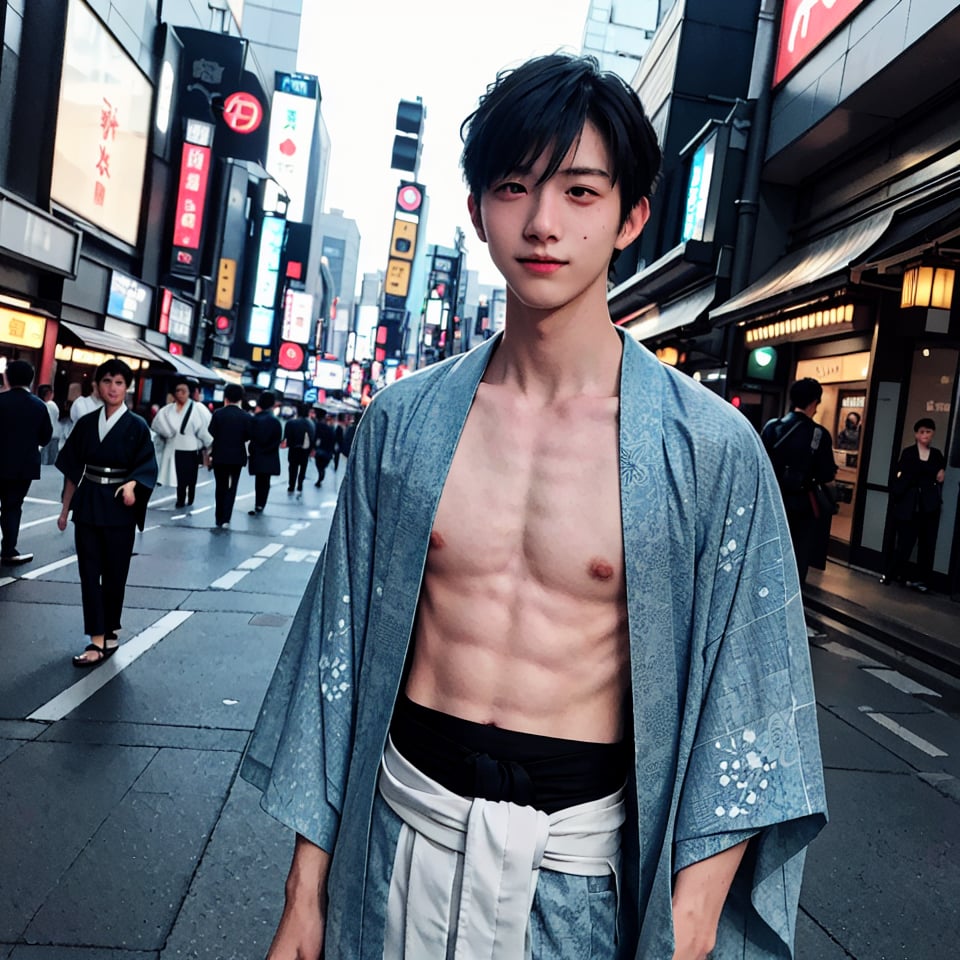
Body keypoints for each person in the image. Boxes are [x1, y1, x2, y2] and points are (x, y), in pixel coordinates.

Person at [242, 54, 826, 960]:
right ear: (477, 211)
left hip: (579, 874)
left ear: (633, 215)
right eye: (514, 188)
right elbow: (338, 667)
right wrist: (302, 894)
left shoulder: (709, 450)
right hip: (402, 836)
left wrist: (692, 926)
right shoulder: (403, 424)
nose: (544, 223)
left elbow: (744, 707)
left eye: (581, 192)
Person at [55, 359, 157, 666]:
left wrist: (133, 485)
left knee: (115, 573)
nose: (112, 388)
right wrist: (64, 510)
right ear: (97, 386)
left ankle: (111, 629)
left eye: (119, 383)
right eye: (107, 381)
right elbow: (73, 469)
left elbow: (146, 468)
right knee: (89, 572)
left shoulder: (137, 426)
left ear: (127, 388)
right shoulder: (86, 424)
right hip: (87, 503)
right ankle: (96, 639)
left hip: (118, 506)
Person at [761, 377, 838, 585]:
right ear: (814, 403)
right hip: (804, 505)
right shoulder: (819, 434)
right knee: (798, 553)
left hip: (773, 502)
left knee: (769, 550)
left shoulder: (772, 427)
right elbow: (826, 473)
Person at [880, 417, 946, 592]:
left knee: (926, 544)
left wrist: (939, 472)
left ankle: (922, 580)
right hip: (909, 505)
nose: (925, 435)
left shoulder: (937, 455)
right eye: (922, 432)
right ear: (916, 434)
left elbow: (939, 476)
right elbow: (903, 476)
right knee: (905, 543)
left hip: (928, 506)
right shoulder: (908, 452)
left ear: (933, 434)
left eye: (929, 432)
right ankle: (892, 574)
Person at [0, 359, 53, 566]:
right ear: (31, 380)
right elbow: (45, 437)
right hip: (23, 467)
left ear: (7, 377)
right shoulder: (39, 406)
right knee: (12, 507)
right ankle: (9, 550)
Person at [152, 377, 213, 509]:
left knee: (190, 475)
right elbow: (158, 425)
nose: (181, 394)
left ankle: (190, 495)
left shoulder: (196, 409)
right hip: (176, 448)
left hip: (191, 448)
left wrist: (209, 445)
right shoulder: (169, 409)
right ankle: (181, 498)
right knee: (181, 475)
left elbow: (202, 429)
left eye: (183, 391)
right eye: (178, 391)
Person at [208, 383, 252, 528]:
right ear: (240, 398)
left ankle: (218, 517)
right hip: (237, 458)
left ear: (225, 397)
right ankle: (226, 518)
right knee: (232, 487)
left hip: (219, 456)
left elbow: (212, 432)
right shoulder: (246, 417)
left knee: (220, 486)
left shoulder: (218, 414)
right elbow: (247, 436)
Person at [247, 391, 282, 516]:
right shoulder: (276, 422)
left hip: (257, 455)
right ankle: (261, 503)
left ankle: (257, 502)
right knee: (265, 481)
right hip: (269, 456)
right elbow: (277, 440)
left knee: (258, 480)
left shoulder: (254, 419)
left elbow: (249, 437)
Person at [283, 402, 316, 497]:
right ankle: (300, 484)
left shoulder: (291, 423)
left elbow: (286, 437)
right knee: (303, 467)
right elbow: (313, 438)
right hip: (305, 450)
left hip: (293, 449)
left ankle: (291, 485)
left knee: (292, 467)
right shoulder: (311, 424)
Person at [37, 384, 61, 465]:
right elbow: (56, 416)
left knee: (43, 459)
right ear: (48, 394)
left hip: (42, 436)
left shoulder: (38, 404)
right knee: (50, 460)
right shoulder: (51, 405)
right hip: (53, 435)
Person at [313, 411, 337, 487]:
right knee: (322, 465)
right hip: (327, 451)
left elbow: (316, 437)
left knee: (319, 464)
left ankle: (321, 474)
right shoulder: (331, 429)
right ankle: (321, 474)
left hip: (321, 449)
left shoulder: (318, 426)